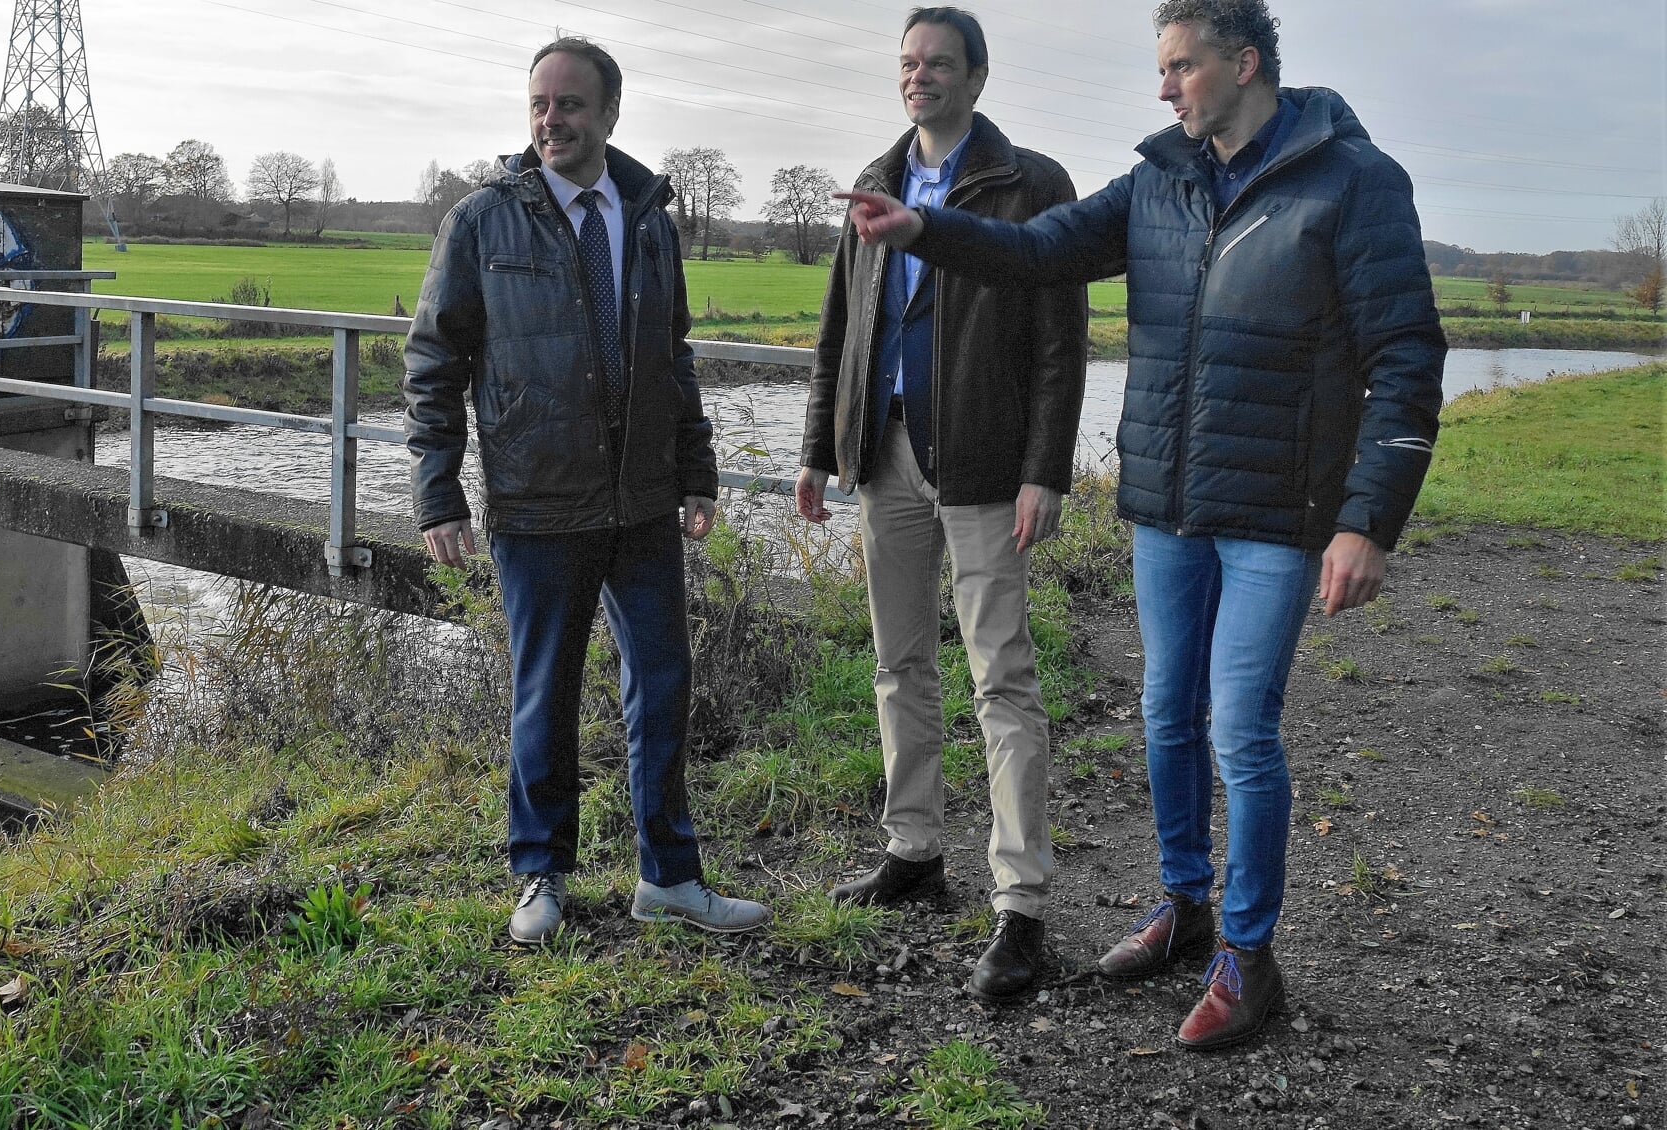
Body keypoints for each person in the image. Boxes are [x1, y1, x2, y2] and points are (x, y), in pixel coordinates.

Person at [838, 0, 1445, 1049]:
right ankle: (1184, 905)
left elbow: (1406, 357)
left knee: (1238, 729)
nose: (1163, 88)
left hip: (1277, 509)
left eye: (1181, 67)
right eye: (1160, 69)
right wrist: (926, 227)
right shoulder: (1161, 176)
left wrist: (1368, 521)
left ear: (1244, 62)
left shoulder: (1354, 181)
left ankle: (1249, 958)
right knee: (1166, 715)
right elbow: (1041, 251)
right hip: (1168, 502)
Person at [402, 36, 770, 945]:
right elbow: (434, 360)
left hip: (642, 500)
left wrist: (696, 472)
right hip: (537, 499)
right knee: (545, 694)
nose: (551, 119)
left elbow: (673, 358)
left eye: (570, 104)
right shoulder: (485, 219)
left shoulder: (648, 218)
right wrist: (437, 491)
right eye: (539, 103)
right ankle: (539, 876)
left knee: (662, 688)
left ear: (609, 113)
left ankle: (671, 878)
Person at [795, 6, 1087, 1004]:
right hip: (882, 460)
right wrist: (815, 449)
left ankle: (1023, 901)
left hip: (984, 465)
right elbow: (840, 326)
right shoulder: (872, 184)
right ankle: (913, 850)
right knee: (897, 662)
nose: (919, 76)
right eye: (908, 63)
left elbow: (1060, 341)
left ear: (977, 76)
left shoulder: (1030, 184)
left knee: (1000, 674)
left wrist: (1047, 466)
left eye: (939, 63)